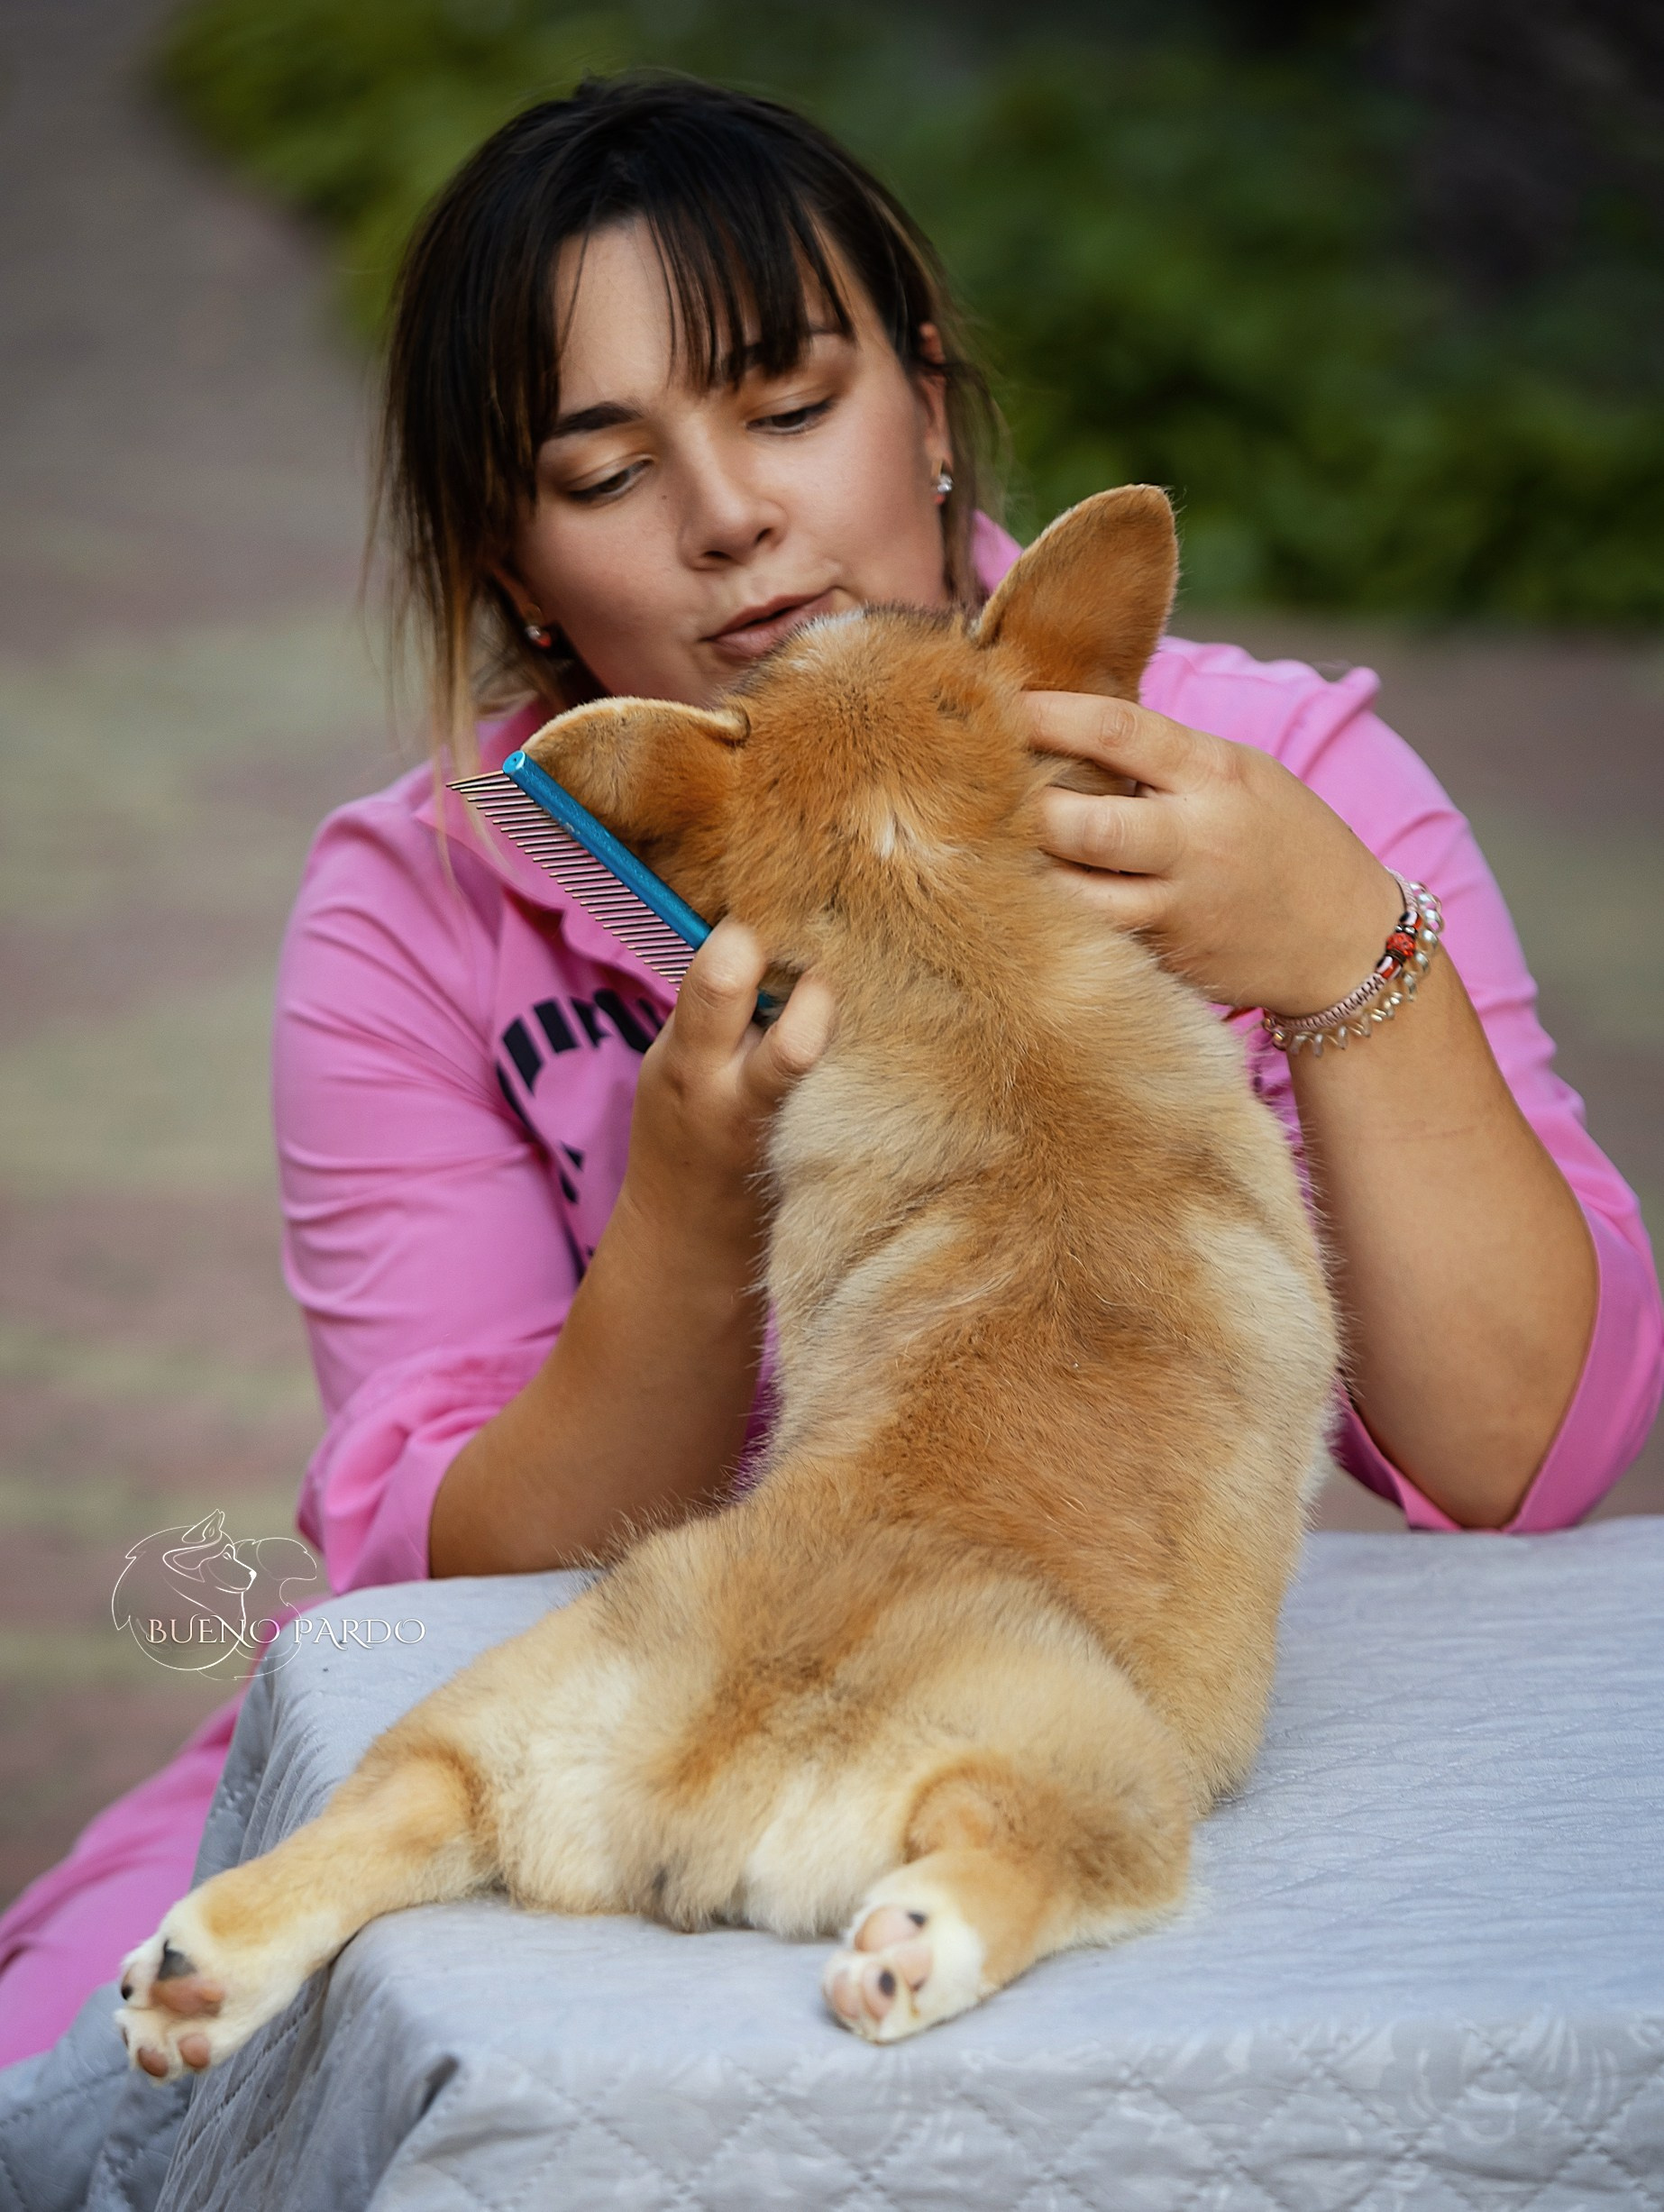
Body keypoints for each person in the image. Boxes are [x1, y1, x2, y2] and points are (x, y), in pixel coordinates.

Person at [2, 71, 1659, 2070]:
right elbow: (461, 1582)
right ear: (514, 562)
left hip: (1036, 1677)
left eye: (788, 406)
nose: (733, 517)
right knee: (99, 2081)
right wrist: (694, 1208)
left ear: (931, 401)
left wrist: (1337, 956)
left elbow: (1521, 1460)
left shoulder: (1251, 780)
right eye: (604, 474)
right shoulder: (426, 912)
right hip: (623, 1691)